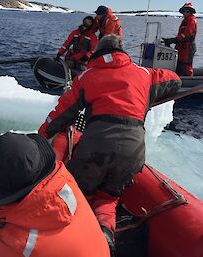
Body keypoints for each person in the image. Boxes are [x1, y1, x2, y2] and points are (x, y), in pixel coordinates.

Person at [38, 35, 181, 256]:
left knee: (76, 194)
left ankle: (69, 242)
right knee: (108, 197)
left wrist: (41, 137)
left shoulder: (87, 77)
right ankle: (105, 233)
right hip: (133, 150)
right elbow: (175, 81)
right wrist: (146, 95)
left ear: (97, 53)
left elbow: (61, 115)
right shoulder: (144, 74)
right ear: (123, 52)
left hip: (96, 146)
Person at [163, 2, 197, 76]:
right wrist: (172, 40)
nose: (185, 13)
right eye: (184, 11)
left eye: (187, 11)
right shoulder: (185, 20)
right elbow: (181, 36)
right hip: (182, 47)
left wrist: (173, 40)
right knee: (179, 64)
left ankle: (189, 81)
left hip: (188, 47)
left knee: (186, 65)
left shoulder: (191, 20)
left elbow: (186, 35)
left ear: (191, 12)